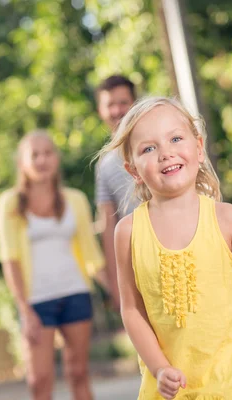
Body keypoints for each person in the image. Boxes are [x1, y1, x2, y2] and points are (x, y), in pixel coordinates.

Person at [100, 97, 232, 399]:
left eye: (175, 138)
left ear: (198, 148)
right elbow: (132, 310)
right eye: (149, 148)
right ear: (133, 170)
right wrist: (158, 368)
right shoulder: (128, 232)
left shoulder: (227, 219)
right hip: (167, 388)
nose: (165, 153)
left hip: (230, 382)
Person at [0, 130, 105, 400]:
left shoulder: (75, 200)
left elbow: (92, 255)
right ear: (22, 162)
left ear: (56, 159)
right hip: (36, 301)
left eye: (48, 153)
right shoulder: (9, 203)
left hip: (75, 294)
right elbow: (10, 260)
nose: (42, 159)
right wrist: (25, 309)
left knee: (78, 373)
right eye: (35, 155)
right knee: (39, 380)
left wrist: (118, 291)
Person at [94, 75, 140, 309]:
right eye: (109, 104)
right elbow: (107, 226)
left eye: (123, 102)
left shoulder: (156, 142)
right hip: (137, 262)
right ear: (100, 110)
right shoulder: (105, 164)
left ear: (134, 103)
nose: (117, 110)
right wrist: (115, 284)